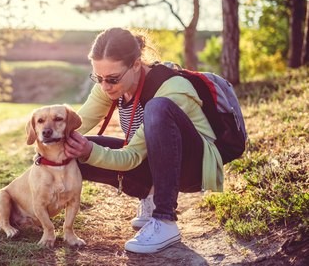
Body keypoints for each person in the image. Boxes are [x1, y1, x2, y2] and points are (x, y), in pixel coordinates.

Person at [64, 27, 224, 254]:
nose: (104, 86)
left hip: (192, 167)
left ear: (136, 65)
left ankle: (165, 220)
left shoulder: (171, 89)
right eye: (98, 77)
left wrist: (90, 151)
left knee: (157, 108)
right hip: (153, 160)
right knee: (69, 149)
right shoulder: (110, 86)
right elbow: (75, 125)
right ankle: (150, 194)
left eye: (112, 78)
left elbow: (131, 157)